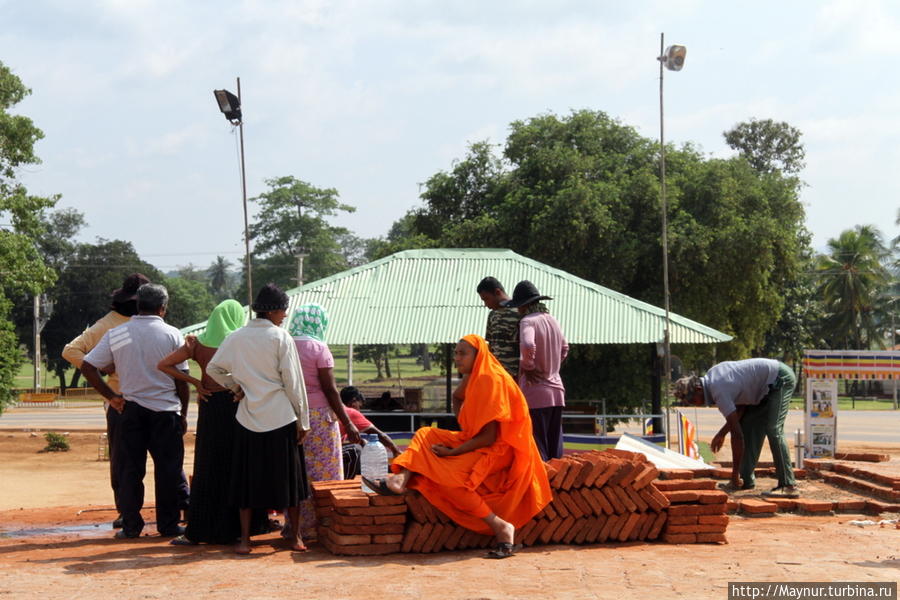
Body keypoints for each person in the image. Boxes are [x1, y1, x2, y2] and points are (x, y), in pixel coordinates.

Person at [364, 334, 552, 559]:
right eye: (456, 353)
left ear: (478, 355)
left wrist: (454, 452)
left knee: (450, 478)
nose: (457, 358)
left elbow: (490, 437)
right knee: (426, 434)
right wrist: (464, 422)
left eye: (463, 353)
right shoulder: (475, 376)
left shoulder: (490, 378)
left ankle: (501, 527)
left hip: (502, 449)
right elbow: (457, 397)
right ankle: (400, 480)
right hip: (477, 439)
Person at [206, 284, 311, 555]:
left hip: (248, 417)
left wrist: (236, 387)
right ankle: (295, 536)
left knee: (246, 480)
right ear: (274, 310)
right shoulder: (280, 337)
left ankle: (244, 540)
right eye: (284, 310)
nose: (285, 315)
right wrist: (303, 421)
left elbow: (213, 368)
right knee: (291, 480)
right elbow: (293, 382)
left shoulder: (235, 337)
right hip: (281, 416)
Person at [80, 283, 190, 539]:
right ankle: (168, 525)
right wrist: (183, 414)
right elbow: (181, 380)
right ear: (163, 308)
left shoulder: (118, 333)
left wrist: (111, 396)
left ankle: (131, 526)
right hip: (165, 411)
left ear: (138, 305)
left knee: (130, 470)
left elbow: (88, 367)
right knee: (169, 470)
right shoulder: (172, 335)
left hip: (130, 409)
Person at [157, 299, 269, 546]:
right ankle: (247, 526)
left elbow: (163, 364)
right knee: (239, 464)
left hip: (210, 405)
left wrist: (196, 382)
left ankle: (203, 527)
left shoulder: (197, 342)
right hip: (237, 404)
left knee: (209, 465)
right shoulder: (240, 340)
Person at [62, 273, 149, 529]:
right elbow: (70, 350)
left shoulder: (146, 322)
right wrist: (107, 369)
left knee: (159, 459)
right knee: (123, 461)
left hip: (149, 398)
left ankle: (172, 507)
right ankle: (126, 511)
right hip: (121, 400)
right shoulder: (108, 324)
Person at [286, 303, 361, 539]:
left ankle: (296, 527)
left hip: (291, 415)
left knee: (298, 471)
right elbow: (330, 389)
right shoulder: (319, 348)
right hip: (319, 418)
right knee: (326, 472)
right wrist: (347, 422)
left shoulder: (285, 344)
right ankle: (322, 525)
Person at [674, 358, 799, 498]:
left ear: (698, 389)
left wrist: (734, 473)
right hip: (764, 389)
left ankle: (788, 485)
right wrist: (721, 434)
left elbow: (736, 434)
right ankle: (745, 480)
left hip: (779, 379)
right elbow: (740, 410)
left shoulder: (718, 390)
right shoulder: (712, 378)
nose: (694, 405)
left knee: (773, 429)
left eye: (692, 401)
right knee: (748, 424)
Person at [502, 280, 569, 461]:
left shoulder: (528, 321)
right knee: (555, 448)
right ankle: (556, 487)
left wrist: (528, 366)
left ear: (523, 305)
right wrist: (552, 365)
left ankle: (542, 487)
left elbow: (528, 343)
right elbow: (565, 348)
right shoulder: (552, 320)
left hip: (535, 392)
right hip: (557, 392)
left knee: (538, 447)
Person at [338, 386, 401, 479]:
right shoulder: (351, 412)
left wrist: (361, 441)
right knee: (355, 450)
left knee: (357, 447)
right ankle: (344, 482)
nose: (359, 410)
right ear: (353, 401)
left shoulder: (336, 410)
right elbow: (379, 435)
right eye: (360, 406)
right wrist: (396, 450)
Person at [476, 277, 521, 378]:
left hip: (516, 377)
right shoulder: (492, 315)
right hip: (497, 376)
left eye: (486, 299)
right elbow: (490, 346)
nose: (485, 304)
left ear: (497, 292)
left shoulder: (520, 312)